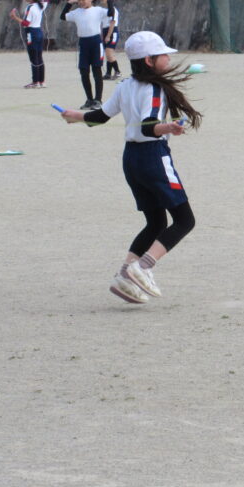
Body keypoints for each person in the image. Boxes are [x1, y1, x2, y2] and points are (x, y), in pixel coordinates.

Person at [59, 31, 201, 304]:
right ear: (149, 60)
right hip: (153, 157)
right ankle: (143, 267)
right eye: (163, 55)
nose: (168, 58)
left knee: (156, 222)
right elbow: (149, 126)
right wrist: (168, 127)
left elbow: (100, 116)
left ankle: (125, 275)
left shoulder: (125, 85)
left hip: (131, 159)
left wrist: (76, 116)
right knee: (185, 220)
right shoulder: (154, 89)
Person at [60, 0, 110, 110]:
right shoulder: (77, 12)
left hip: (96, 42)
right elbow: (63, 16)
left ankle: (98, 100)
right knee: (84, 71)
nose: (81, 1)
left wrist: (110, 2)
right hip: (83, 43)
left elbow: (111, 13)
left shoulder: (98, 10)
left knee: (97, 70)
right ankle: (89, 99)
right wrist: (69, 4)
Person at [9, 0, 48, 88]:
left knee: (33, 57)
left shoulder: (30, 7)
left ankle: (35, 82)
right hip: (39, 32)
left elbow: (26, 23)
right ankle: (41, 81)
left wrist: (14, 17)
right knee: (39, 57)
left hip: (31, 33)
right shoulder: (40, 5)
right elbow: (46, 0)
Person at [98, 0, 122, 80]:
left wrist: (108, 36)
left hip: (112, 32)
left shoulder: (114, 10)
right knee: (108, 54)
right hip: (105, 31)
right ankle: (108, 73)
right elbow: (103, 24)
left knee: (109, 53)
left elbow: (112, 23)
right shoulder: (105, 11)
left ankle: (117, 71)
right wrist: (103, 35)